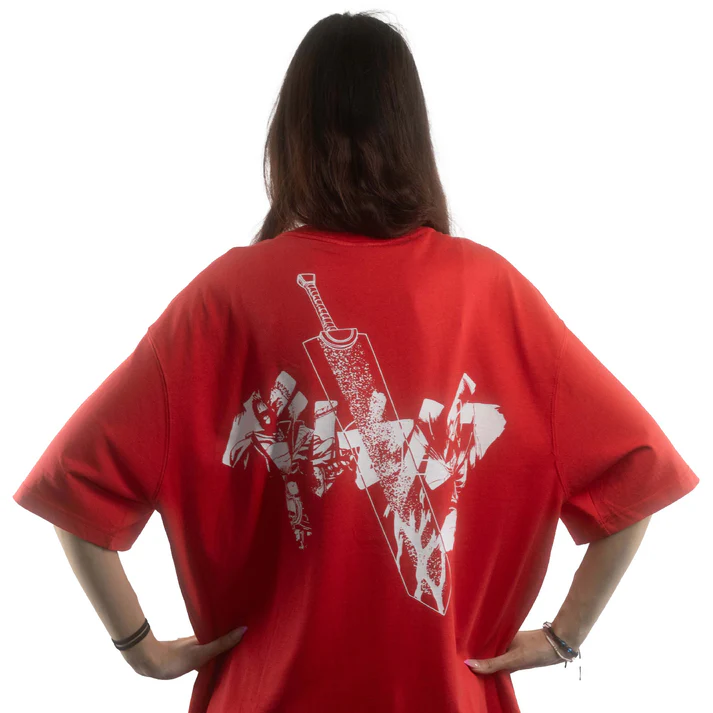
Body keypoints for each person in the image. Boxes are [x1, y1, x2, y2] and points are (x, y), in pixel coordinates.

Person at [12, 11, 699, 713]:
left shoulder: (226, 297)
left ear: (291, 138)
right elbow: (638, 472)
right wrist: (563, 635)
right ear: (409, 136)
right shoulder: (491, 293)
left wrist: (142, 649)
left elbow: (74, 488)